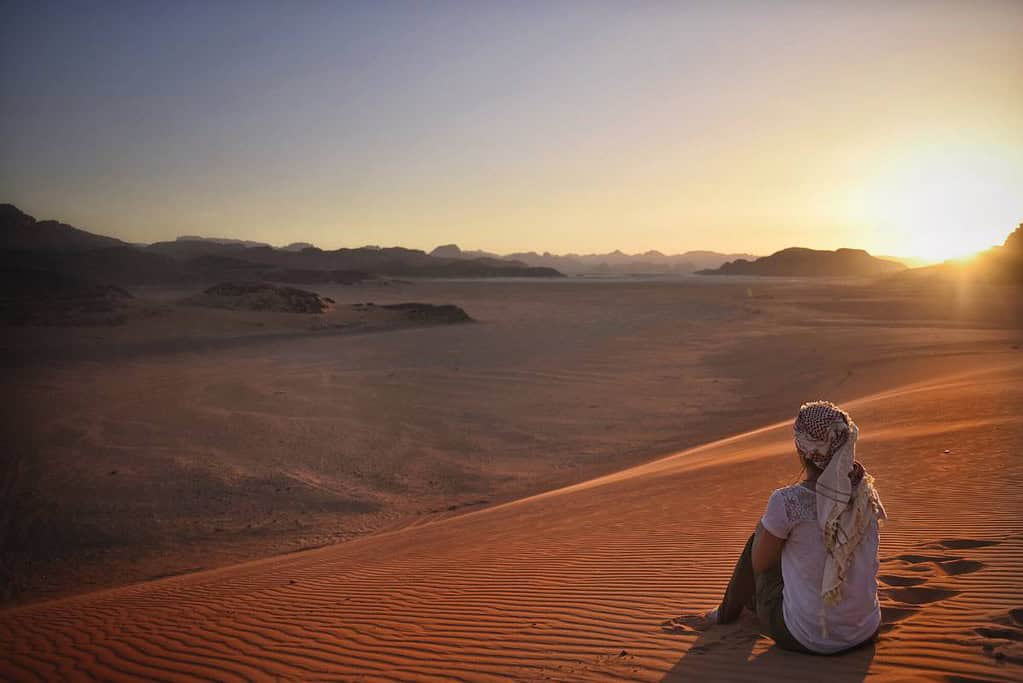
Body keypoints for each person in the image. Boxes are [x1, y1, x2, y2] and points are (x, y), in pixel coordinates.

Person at [681, 400, 887, 654]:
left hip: (807, 637)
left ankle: (725, 613)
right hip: (865, 630)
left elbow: (760, 566)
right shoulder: (866, 493)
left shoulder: (787, 502)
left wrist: (767, 525)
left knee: (759, 539)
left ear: (801, 450)